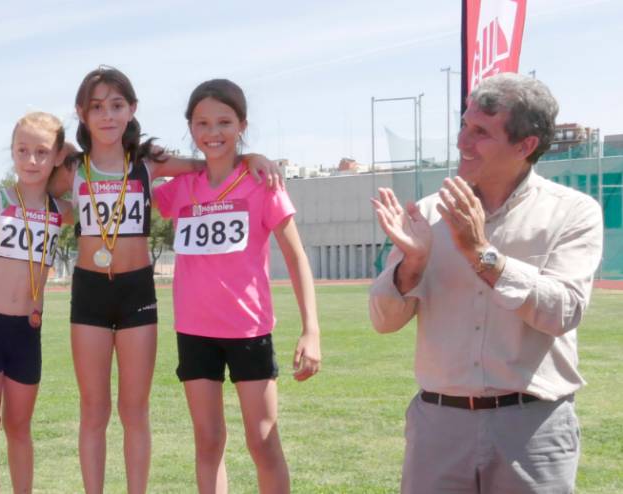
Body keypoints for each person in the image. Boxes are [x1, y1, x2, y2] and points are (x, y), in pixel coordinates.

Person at [0, 66, 282, 494]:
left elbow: (210, 159)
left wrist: (250, 158)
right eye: (97, 107)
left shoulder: (147, 162)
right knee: (94, 411)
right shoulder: (72, 168)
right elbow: (31, 184)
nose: (107, 115)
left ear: (132, 109)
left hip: (137, 292)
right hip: (90, 293)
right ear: (81, 113)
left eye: (117, 105)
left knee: (135, 411)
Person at [369, 72, 604, 493]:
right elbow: (383, 321)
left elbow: (563, 312)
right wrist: (412, 265)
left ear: (525, 146)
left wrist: (482, 254)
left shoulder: (572, 213)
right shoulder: (426, 215)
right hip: (438, 426)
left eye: (481, 132)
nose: (462, 141)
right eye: (464, 125)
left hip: (532, 429)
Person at [153, 79, 321, 494]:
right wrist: (206, 161)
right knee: (208, 441)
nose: (213, 132)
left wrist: (311, 330)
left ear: (243, 124)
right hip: (194, 331)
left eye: (225, 122)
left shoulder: (263, 183)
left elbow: (296, 256)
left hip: (249, 331)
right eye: (202, 123)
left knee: (262, 441)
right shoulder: (182, 189)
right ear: (190, 128)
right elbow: (141, 168)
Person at [0, 112, 71, 493]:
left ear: (57, 155)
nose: (31, 160)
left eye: (42, 151)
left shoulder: (62, 211)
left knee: (20, 427)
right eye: (22, 150)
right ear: (12, 152)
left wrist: (63, 148)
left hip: (27, 331)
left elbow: (82, 164)